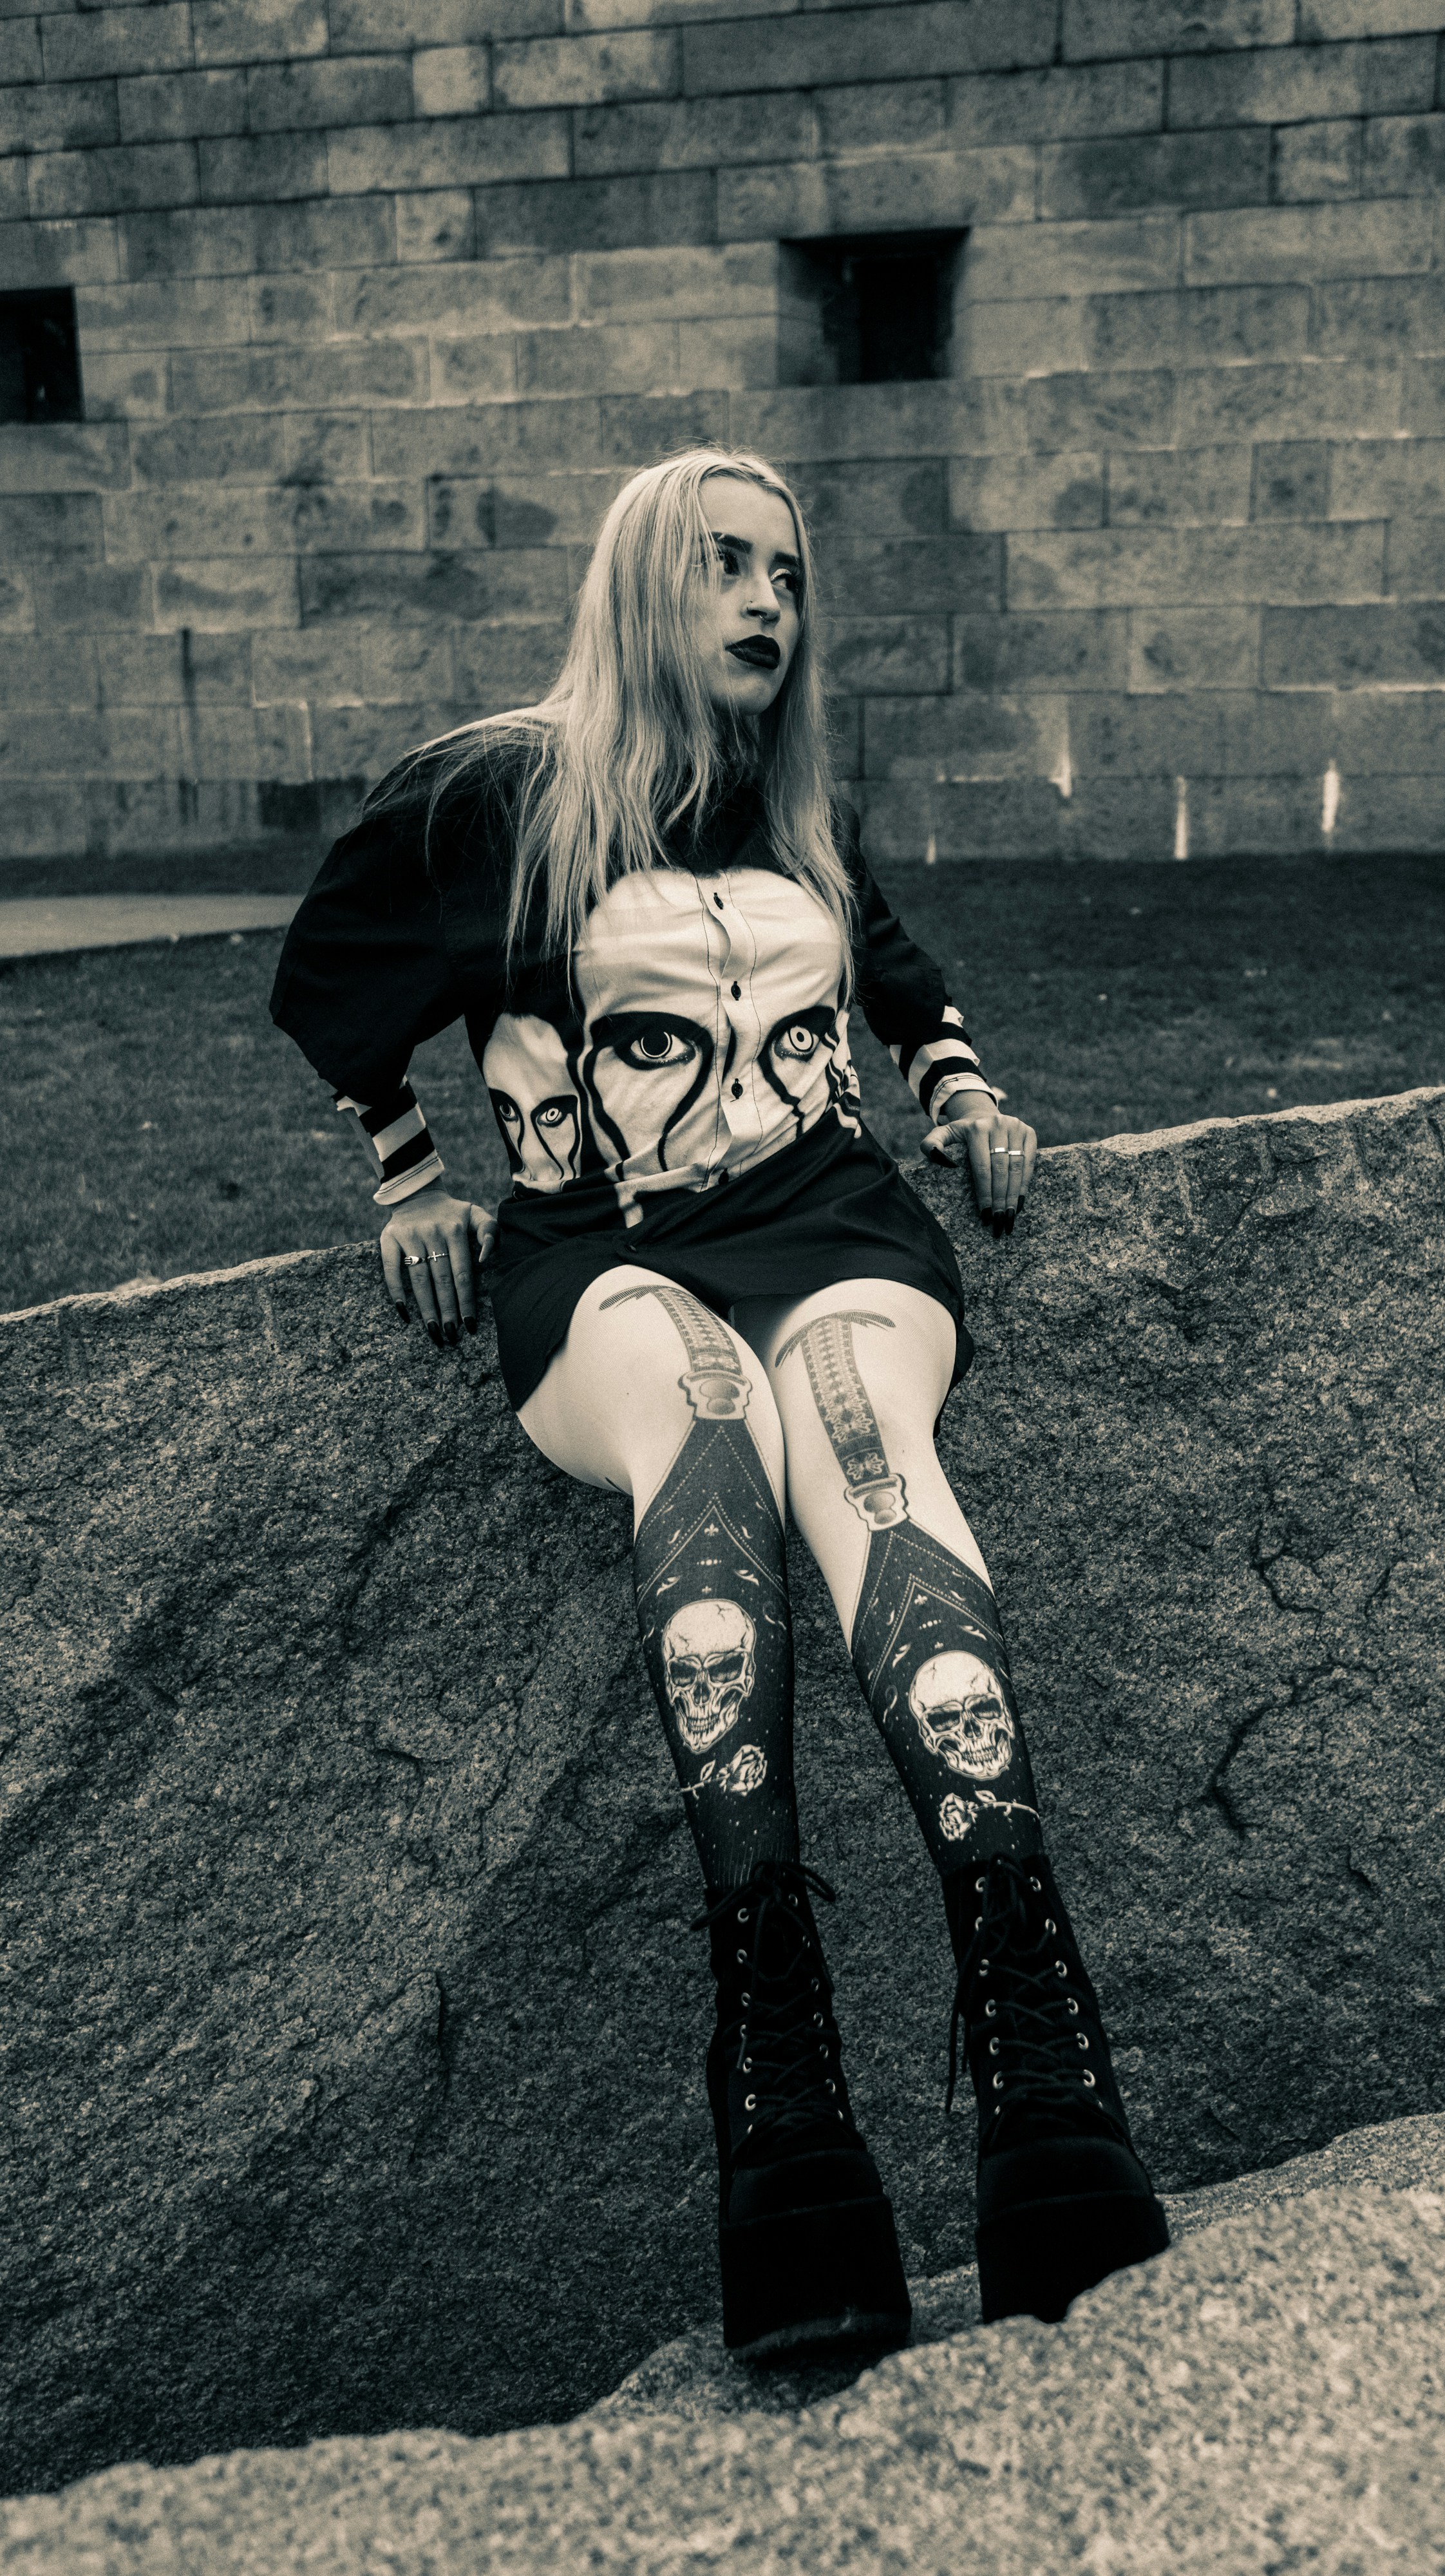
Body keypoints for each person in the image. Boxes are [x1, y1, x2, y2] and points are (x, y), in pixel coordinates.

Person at [270, 446, 1170, 2364]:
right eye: (725, 568)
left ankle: (1039, 2058)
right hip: (599, 1254)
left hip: (835, 1232)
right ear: (637, 587)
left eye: (787, 572)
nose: (769, 601)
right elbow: (327, 969)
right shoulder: (496, 789)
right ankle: (780, 2086)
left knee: (858, 1441)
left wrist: (954, 1089)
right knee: (703, 1446)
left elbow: (893, 968)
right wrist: (405, 1166)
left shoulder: (791, 799)